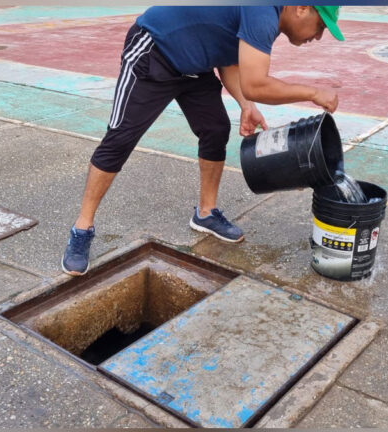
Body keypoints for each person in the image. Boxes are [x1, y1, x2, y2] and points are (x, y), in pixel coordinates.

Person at [62, 5, 345, 275]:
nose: (318, 36)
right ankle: (82, 228)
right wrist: (313, 93)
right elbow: (256, 83)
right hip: (155, 50)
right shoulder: (263, 11)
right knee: (120, 139)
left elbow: (227, 55)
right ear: (302, 8)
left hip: (195, 66)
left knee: (215, 129)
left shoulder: (267, 15)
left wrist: (246, 105)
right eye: (320, 26)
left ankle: (206, 213)